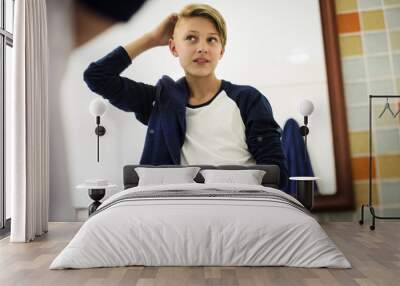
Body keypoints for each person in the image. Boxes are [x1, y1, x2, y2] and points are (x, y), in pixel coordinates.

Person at [83, 3, 288, 188]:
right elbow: (97, 77)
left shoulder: (248, 99)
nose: (202, 48)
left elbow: (276, 173)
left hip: (243, 203)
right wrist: (152, 39)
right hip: (178, 207)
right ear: (173, 47)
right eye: (191, 38)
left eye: (211, 40)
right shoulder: (160, 101)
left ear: (221, 51)